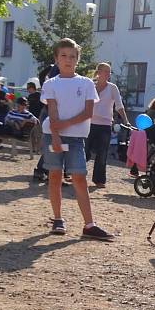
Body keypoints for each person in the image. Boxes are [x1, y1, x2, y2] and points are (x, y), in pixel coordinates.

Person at [41, 38, 113, 241]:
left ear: (77, 60)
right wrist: (55, 135)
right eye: (63, 55)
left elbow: (88, 112)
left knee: (79, 177)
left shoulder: (86, 83)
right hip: (52, 136)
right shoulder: (50, 84)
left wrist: (63, 125)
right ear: (56, 59)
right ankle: (57, 219)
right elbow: (52, 111)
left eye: (72, 56)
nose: (68, 59)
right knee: (54, 176)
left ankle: (89, 225)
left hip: (75, 139)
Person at [86, 62, 130, 188]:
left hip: (105, 124)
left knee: (102, 153)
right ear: (98, 72)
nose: (108, 74)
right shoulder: (90, 86)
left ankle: (99, 179)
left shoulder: (112, 88)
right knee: (84, 150)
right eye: (105, 71)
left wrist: (125, 120)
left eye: (109, 72)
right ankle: (76, 172)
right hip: (89, 123)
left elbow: (119, 105)